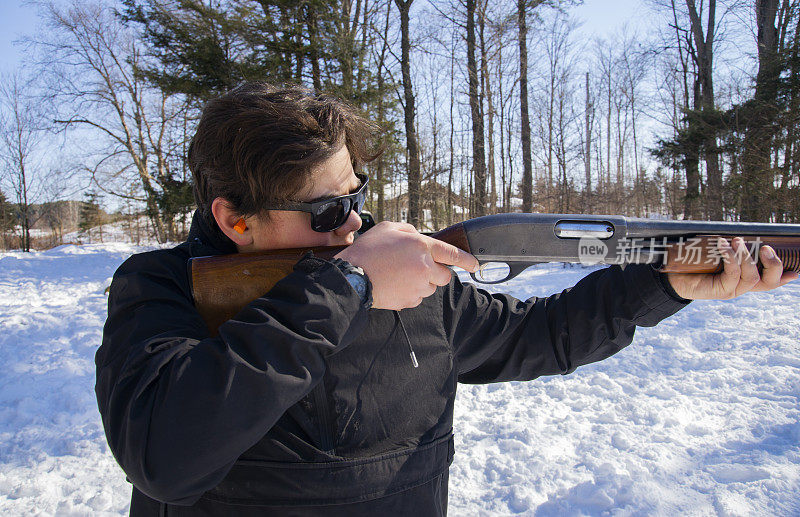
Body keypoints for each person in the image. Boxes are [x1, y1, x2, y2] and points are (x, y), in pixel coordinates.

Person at [96, 82, 797, 516]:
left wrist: (663, 281)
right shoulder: (160, 291)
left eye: (357, 195)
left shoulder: (409, 275)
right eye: (325, 210)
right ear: (233, 219)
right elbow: (166, 454)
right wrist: (348, 285)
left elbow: (543, 334)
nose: (353, 224)